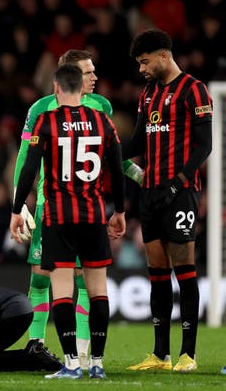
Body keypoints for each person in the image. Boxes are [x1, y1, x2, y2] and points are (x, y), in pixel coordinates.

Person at [11, 49, 142, 368]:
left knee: (72, 284)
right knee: (44, 280)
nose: (95, 78)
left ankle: (79, 355)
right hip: (70, 208)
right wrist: (23, 200)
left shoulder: (97, 107)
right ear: (69, 76)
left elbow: (109, 156)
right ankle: (40, 346)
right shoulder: (41, 109)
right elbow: (24, 160)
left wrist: (15, 207)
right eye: (88, 72)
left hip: (59, 210)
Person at [124, 29, 212, 372]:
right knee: (157, 274)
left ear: (163, 56)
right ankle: (160, 355)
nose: (142, 69)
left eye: (145, 62)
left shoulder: (194, 89)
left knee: (184, 271)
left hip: (181, 192)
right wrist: (104, 149)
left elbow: (205, 145)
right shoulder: (147, 93)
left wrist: (176, 184)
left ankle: (187, 355)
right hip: (150, 192)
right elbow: (136, 143)